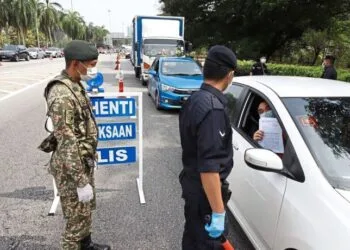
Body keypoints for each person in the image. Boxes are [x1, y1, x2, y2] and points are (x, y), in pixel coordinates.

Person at [38, 40, 110, 250]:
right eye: (91, 64)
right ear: (76, 63)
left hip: (81, 162)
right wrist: (80, 180)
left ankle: (86, 245)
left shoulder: (75, 83)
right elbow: (66, 141)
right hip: (71, 170)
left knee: (84, 211)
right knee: (74, 224)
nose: (93, 69)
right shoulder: (61, 95)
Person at [179, 45, 236, 250]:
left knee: (193, 240)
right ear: (229, 75)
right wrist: (218, 212)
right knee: (206, 244)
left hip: (193, 189)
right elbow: (209, 168)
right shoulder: (213, 110)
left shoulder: (195, 99)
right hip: (206, 198)